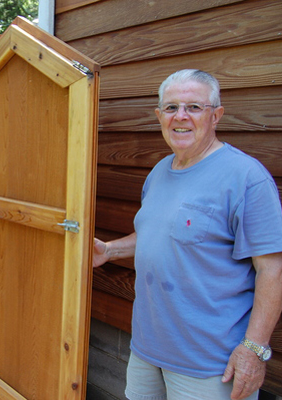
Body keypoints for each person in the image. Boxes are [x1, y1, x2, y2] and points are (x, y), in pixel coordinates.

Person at [93, 69, 282, 400]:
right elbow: (163, 235)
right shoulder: (159, 171)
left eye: (194, 107)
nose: (181, 117)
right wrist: (109, 250)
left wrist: (253, 350)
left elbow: (273, 270)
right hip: (146, 349)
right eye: (171, 108)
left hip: (210, 363)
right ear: (159, 116)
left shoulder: (246, 178)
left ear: (216, 115)